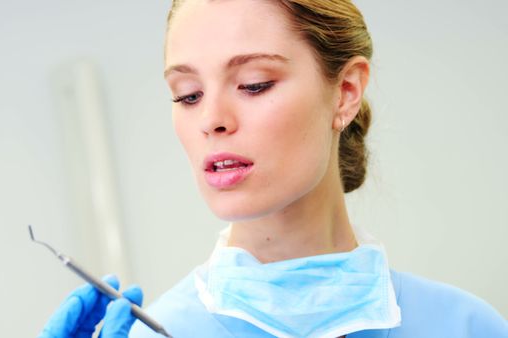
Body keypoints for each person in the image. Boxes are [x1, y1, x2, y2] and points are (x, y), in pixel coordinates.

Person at [39, 0, 508, 337]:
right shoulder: (162, 333)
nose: (211, 120)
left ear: (345, 92)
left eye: (253, 84)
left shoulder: (466, 327)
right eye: (188, 94)